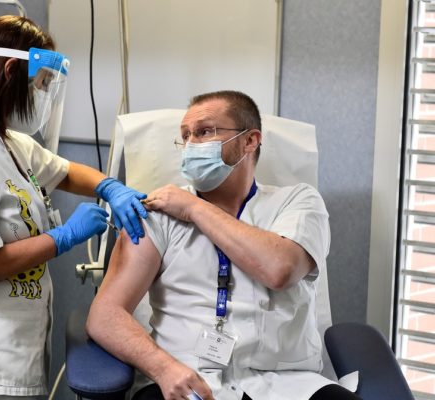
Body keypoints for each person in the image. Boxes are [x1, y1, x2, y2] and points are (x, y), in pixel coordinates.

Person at [0, 15, 148, 400]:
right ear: (11, 70)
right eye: (42, 84)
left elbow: (68, 172)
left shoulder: (9, 142)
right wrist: (64, 237)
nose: (43, 95)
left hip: (16, 341)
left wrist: (110, 187)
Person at [86, 90, 361, 400]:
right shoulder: (158, 213)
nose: (190, 145)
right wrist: (163, 369)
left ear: (250, 140)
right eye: (185, 136)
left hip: (289, 384)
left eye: (204, 132)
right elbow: (105, 315)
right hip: (184, 381)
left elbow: (279, 269)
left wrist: (193, 208)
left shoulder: (298, 202)